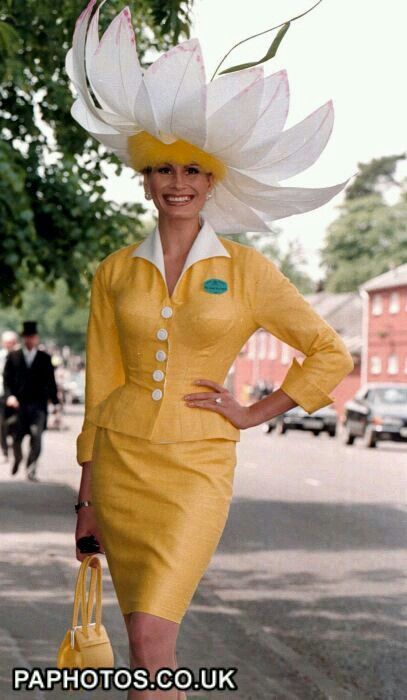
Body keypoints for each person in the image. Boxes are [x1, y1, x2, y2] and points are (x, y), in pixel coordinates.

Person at [66, 4, 354, 698]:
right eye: (163, 168)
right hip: (122, 466)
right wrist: (87, 499)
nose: (178, 183)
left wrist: (255, 412)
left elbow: (328, 353)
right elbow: (102, 382)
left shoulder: (250, 271)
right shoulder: (113, 271)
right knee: (143, 649)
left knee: (153, 644)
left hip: (196, 470)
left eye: (194, 170)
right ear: (144, 177)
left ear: (214, 181)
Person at [3, 321, 61, 481]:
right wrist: (10, 396)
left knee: (37, 436)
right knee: (16, 439)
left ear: (36, 339)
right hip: (18, 406)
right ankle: (18, 458)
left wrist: (55, 402)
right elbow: (6, 381)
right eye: (27, 337)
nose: (29, 340)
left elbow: (51, 382)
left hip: (38, 406)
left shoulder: (44, 358)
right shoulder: (13, 357)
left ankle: (31, 468)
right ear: (23, 339)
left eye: (32, 337)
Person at [0, 330, 19, 459]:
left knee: (16, 423)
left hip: (17, 396)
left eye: (11, 342)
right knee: (1, 424)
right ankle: (4, 450)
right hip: (1, 394)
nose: (9, 345)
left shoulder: (20, 357)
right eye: (7, 342)